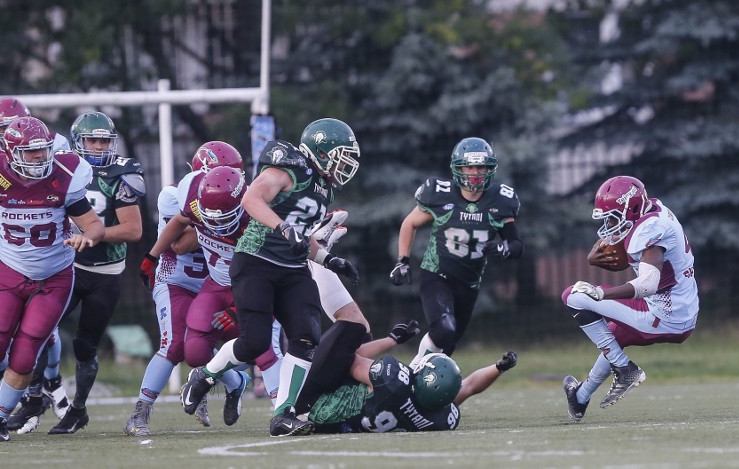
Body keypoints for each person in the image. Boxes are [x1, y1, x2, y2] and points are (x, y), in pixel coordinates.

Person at [179, 117, 362, 437]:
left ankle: (283, 414)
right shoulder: (289, 168)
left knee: (306, 336)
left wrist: (329, 259)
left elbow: (304, 239)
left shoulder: (324, 189)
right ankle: (205, 376)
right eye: (341, 155)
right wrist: (281, 226)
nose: (345, 164)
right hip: (256, 262)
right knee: (254, 343)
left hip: (293, 270)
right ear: (321, 150)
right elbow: (251, 198)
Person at [0, 116, 104, 442]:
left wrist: (89, 237)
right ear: (12, 152)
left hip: (54, 277)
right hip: (10, 269)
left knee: (27, 354)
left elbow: (93, 223)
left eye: (43, 151)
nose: (41, 157)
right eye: (31, 152)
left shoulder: (64, 175)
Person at [127, 144, 268, 435]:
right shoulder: (177, 195)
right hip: (176, 278)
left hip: (213, 283)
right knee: (174, 345)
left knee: (214, 347)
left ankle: (223, 382)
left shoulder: (239, 201)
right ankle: (140, 413)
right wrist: (209, 220)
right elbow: (179, 245)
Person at [561, 175, 698, 421]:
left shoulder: (650, 230)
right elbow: (639, 258)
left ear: (630, 208)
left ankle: (625, 370)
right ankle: (580, 397)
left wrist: (602, 293)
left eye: (613, 216)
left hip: (664, 315)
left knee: (573, 296)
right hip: (679, 309)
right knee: (614, 336)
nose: (609, 223)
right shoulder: (654, 209)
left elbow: (647, 283)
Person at [0, 97, 70, 411]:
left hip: (42, 250)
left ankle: (50, 382)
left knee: (41, 329)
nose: (9, 132)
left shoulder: (50, 148)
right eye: (2, 128)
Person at [44, 111, 145, 435]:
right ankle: (38, 395)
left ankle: (77, 410)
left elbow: (133, 230)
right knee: (38, 329)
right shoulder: (62, 170)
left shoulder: (121, 173)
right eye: (93, 140)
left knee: (85, 345)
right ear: (78, 143)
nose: (100, 146)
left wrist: (94, 234)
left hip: (106, 272)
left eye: (104, 140)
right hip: (68, 267)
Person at [390, 137, 523, 368]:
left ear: (490, 168)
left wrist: (502, 249)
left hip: (469, 284)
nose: (475, 173)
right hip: (436, 275)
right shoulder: (440, 195)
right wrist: (402, 261)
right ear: (458, 168)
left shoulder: (500, 201)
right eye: (469, 166)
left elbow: (516, 245)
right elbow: (409, 223)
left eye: (481, 166)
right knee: (443, 329)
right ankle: (410, 374)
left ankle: (422, 397)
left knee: (446, 349)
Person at [294, 319, 518, 433]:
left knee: (351, 331)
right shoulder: (437, 418)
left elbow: (349, 357)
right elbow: (468, 387)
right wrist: (499, 367)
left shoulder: (393, 381)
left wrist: (392, 340)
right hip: (340, 425)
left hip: (314, 406)